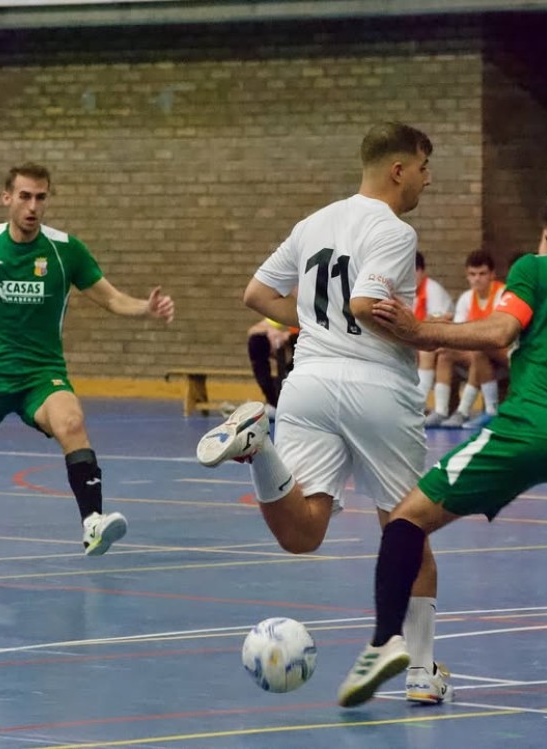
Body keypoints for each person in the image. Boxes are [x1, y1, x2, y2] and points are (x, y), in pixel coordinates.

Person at [337, 184, 547, 708]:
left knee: (405, 520)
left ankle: (383, 643)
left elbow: (500, 332)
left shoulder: (538, 267)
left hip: (530, 425)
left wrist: (421, 331)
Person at [195, 122, 451, 705]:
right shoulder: (394, 229)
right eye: (424, 166)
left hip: (306, 383)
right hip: (376, 385)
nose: (427, 179)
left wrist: (309, 322)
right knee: (407, 525)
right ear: (397, 169)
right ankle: (421, 671)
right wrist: (422, 331)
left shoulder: (314, 224)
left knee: (304, 531)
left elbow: (255, 294)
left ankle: (259, 450)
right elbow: (366, 301)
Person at [0, 162, 174, 564]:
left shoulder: (66, 249)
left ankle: (93, 523)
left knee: (72, 423)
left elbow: (112, 298)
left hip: (42, 374)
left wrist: (146, 309)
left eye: (41, 197)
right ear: (7, 198)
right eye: (25, 196)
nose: (33, 206)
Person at [424, 250, 507, 429]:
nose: (477, 279)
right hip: (476, 354)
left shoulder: (502, 295)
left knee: (479, 350)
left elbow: (498, 335)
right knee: (445, 353)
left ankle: (465, 411)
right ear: (467, 276)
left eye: (482, 274)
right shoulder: (466, 298)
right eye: (472, 274)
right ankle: (441, 411)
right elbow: (458, 336)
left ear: (492, 275)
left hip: (500, 357)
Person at [413, 251, 454, 402]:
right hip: (418, 341)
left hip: (443, 342)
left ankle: (419, 402)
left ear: (422, 271)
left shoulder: (433, 289)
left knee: (426, 351)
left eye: (414, 272)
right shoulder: (406, 292)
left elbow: (438, 324)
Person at [245, 317, 297, 420]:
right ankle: (274, 400)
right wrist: (271, 331)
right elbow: (253, 330)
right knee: (257, 340)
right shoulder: (290, 310)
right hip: (292, 345)